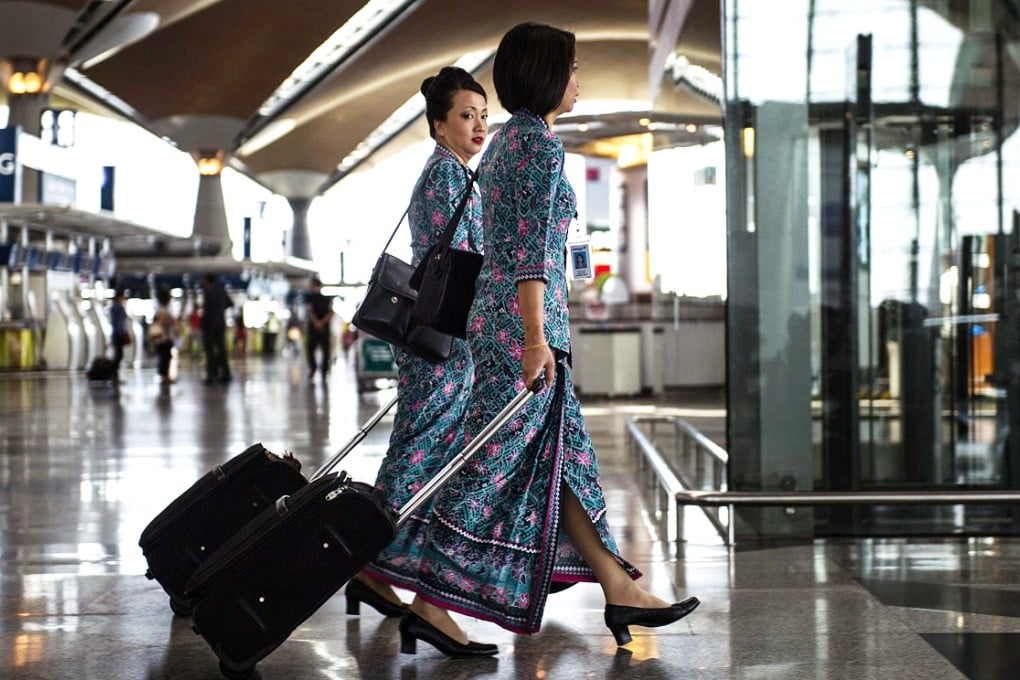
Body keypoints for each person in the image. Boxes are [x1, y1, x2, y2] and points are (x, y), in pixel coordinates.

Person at [404, 23, 699, 657]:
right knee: (489, 466)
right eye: (571, 68)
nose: (577, 80)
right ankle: (429, 600)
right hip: (524, 333)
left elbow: (521, 245)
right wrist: (536, 339)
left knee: (561, 462)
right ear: (546, 73)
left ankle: (619, 586)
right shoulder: (538, 149)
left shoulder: (508, 143)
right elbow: (529, 250)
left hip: (506, 324)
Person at [346, 66, 488, 624]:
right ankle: (370, 564)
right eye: (465, 115)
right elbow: (460, 264)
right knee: (419, 453)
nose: (479, 125)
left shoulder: (454, 175)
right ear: (438, 125)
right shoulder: (446, 179)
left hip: (445, 341)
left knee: (420, 449)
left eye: (483, 115)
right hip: (442, 343)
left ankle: (374, 568)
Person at [200, 273, 232, 384]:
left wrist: (204, 323)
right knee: (221, 349)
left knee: (210, 351)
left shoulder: (208, 292)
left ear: (207, 281)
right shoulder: (221, 290)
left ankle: (212, 375)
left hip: (210, 325)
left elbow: (206, 311)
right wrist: (220, 310)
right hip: (220, 324)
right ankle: (225, 373)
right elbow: (230, 303)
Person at [304, 277, 334, 381]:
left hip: (315, 327)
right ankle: (323, 370)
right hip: (323, 327)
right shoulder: (326, 299)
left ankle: (315, 369)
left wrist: (317, 323)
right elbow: (331, 313)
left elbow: (310, 311)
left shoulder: (309, 298)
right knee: (324, 350)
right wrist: (322, 322)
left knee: (312, 349)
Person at [150, 287, 178, 385]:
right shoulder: (163, 310)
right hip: (164, 338)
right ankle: (164, 376)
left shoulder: (161, 309)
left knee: (165, 357)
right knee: (165, 357)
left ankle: (164, 376)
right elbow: (162, 323)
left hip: (163, 338)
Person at [109, 289, 129, 381]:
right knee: (119, 355)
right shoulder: (119, 308)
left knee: (118, 355)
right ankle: (114, 375)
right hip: (119, 334)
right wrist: (123, 333)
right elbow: (119, 323)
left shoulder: (114, 307)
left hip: (117, 334)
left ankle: (114, 375)